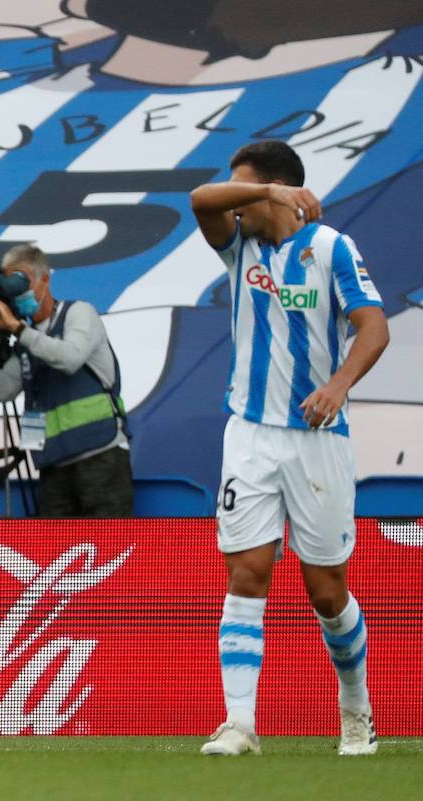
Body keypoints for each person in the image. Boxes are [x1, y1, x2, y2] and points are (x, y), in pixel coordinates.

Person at [190, 140, 390, 756]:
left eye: (248, 188)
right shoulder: (239, 246)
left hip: (318, 441)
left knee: (326, 590)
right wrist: (265, 192)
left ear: (277, 186)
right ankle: (241, 725)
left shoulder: (331, 249)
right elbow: (200, 200)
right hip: (248, 434)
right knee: (246, 572)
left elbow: (374, 326)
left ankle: (355, 707)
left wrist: (337, 384)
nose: (237, 201)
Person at [0, 244, 133, 517]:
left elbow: (70, 358)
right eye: (9, 282)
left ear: (45, 279)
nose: (16, 291)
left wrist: (17, 328)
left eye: (21, 280)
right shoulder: (27, 338)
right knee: (55, 557)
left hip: (100, 457)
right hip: (52, 465)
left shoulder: (79, 313)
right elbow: (3, 390)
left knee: (107, 552)